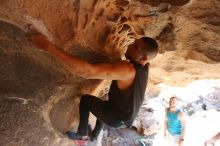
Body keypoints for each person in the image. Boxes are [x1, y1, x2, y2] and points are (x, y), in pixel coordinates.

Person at [28, 27, 158, 141]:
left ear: (144, 58)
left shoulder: (128, 70)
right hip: (123, 115)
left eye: (135, 47)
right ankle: (95, 134)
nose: (129, 45)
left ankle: (82, 134)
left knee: (86, 100)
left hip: (116, 118)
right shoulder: (145, 67)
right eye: (133, 42)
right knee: (104, 106)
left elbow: (87, 72)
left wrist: (47, 46)